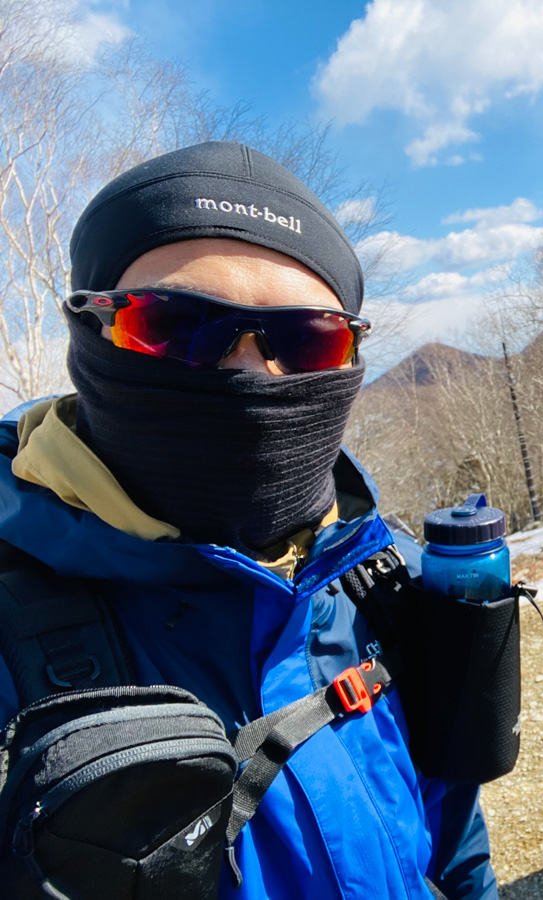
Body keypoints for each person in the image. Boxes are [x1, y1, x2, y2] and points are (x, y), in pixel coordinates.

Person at [0, 142, 497, 899]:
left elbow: (453, 845)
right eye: (173, 326)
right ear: (89, 328)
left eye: (307, 338)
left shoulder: (384, 578)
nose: (250, 371)